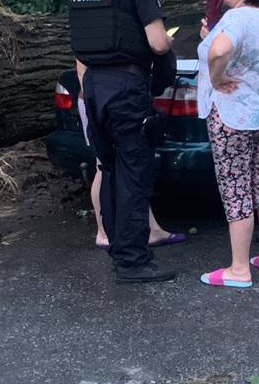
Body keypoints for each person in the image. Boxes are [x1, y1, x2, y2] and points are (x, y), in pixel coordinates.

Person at [69, 0, 176, 285]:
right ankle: (133, 261)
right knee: (134, 172)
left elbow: (79, 45)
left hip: (92, 85)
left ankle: (119, 248)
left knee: (111, 169)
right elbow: (158, 42)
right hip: (126, 86)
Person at [196, 0, 259, 288]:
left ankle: (238, 268)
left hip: (233, 114)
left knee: (236, 191)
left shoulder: (236, 18)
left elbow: (219, 51)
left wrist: (217, 79)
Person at [74, 69, 185, 250]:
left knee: (130, 165)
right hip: (98, 99)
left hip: (114, 96)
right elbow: (82, 72)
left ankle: (152, 229)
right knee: (104, 165)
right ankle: (103, 232)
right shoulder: (91, 43)